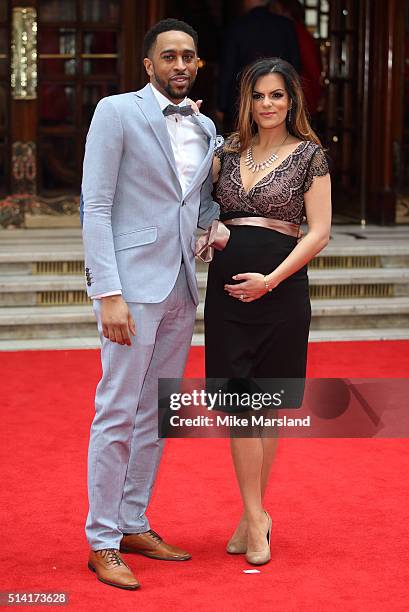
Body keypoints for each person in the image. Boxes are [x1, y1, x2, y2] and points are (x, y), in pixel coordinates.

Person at [82, 18, 219, 590]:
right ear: (149, 64)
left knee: (157, 415)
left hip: (182, 288)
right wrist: (108, 292)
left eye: (189, 56)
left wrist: (213, 231)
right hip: (131, 289)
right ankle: (102, 539)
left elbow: (199, 203)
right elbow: (96, 204)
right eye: (169, 57)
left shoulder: (207, 125)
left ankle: (134, 520)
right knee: (117, 409)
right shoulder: (116, 112)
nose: (180, 65)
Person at [204, 57, 331, 565]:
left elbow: (320, 231)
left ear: (292, 100)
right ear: (247, 102)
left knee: (267, 403)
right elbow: (199, 205)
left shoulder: (310, 155)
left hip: (281, 292)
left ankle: (252, 516)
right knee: (239, 404)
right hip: (229, 295)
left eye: (277, 95)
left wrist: (272, 280)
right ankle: (257, 517)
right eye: (259, 96)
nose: (268, 104)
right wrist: (203, 233)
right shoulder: (227, 152)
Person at [217, 0, 300, 131]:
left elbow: (227, 70)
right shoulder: (286, 26)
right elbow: (295, 69)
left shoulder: (237, 27)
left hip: (242, 103)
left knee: (244, 144)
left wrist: (222, 106)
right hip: (278, 100)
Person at [270, 0, 323, 117]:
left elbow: (313, 70)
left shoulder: (297, 33)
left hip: (300, 96)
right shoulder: (295, 32)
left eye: (275, 8)